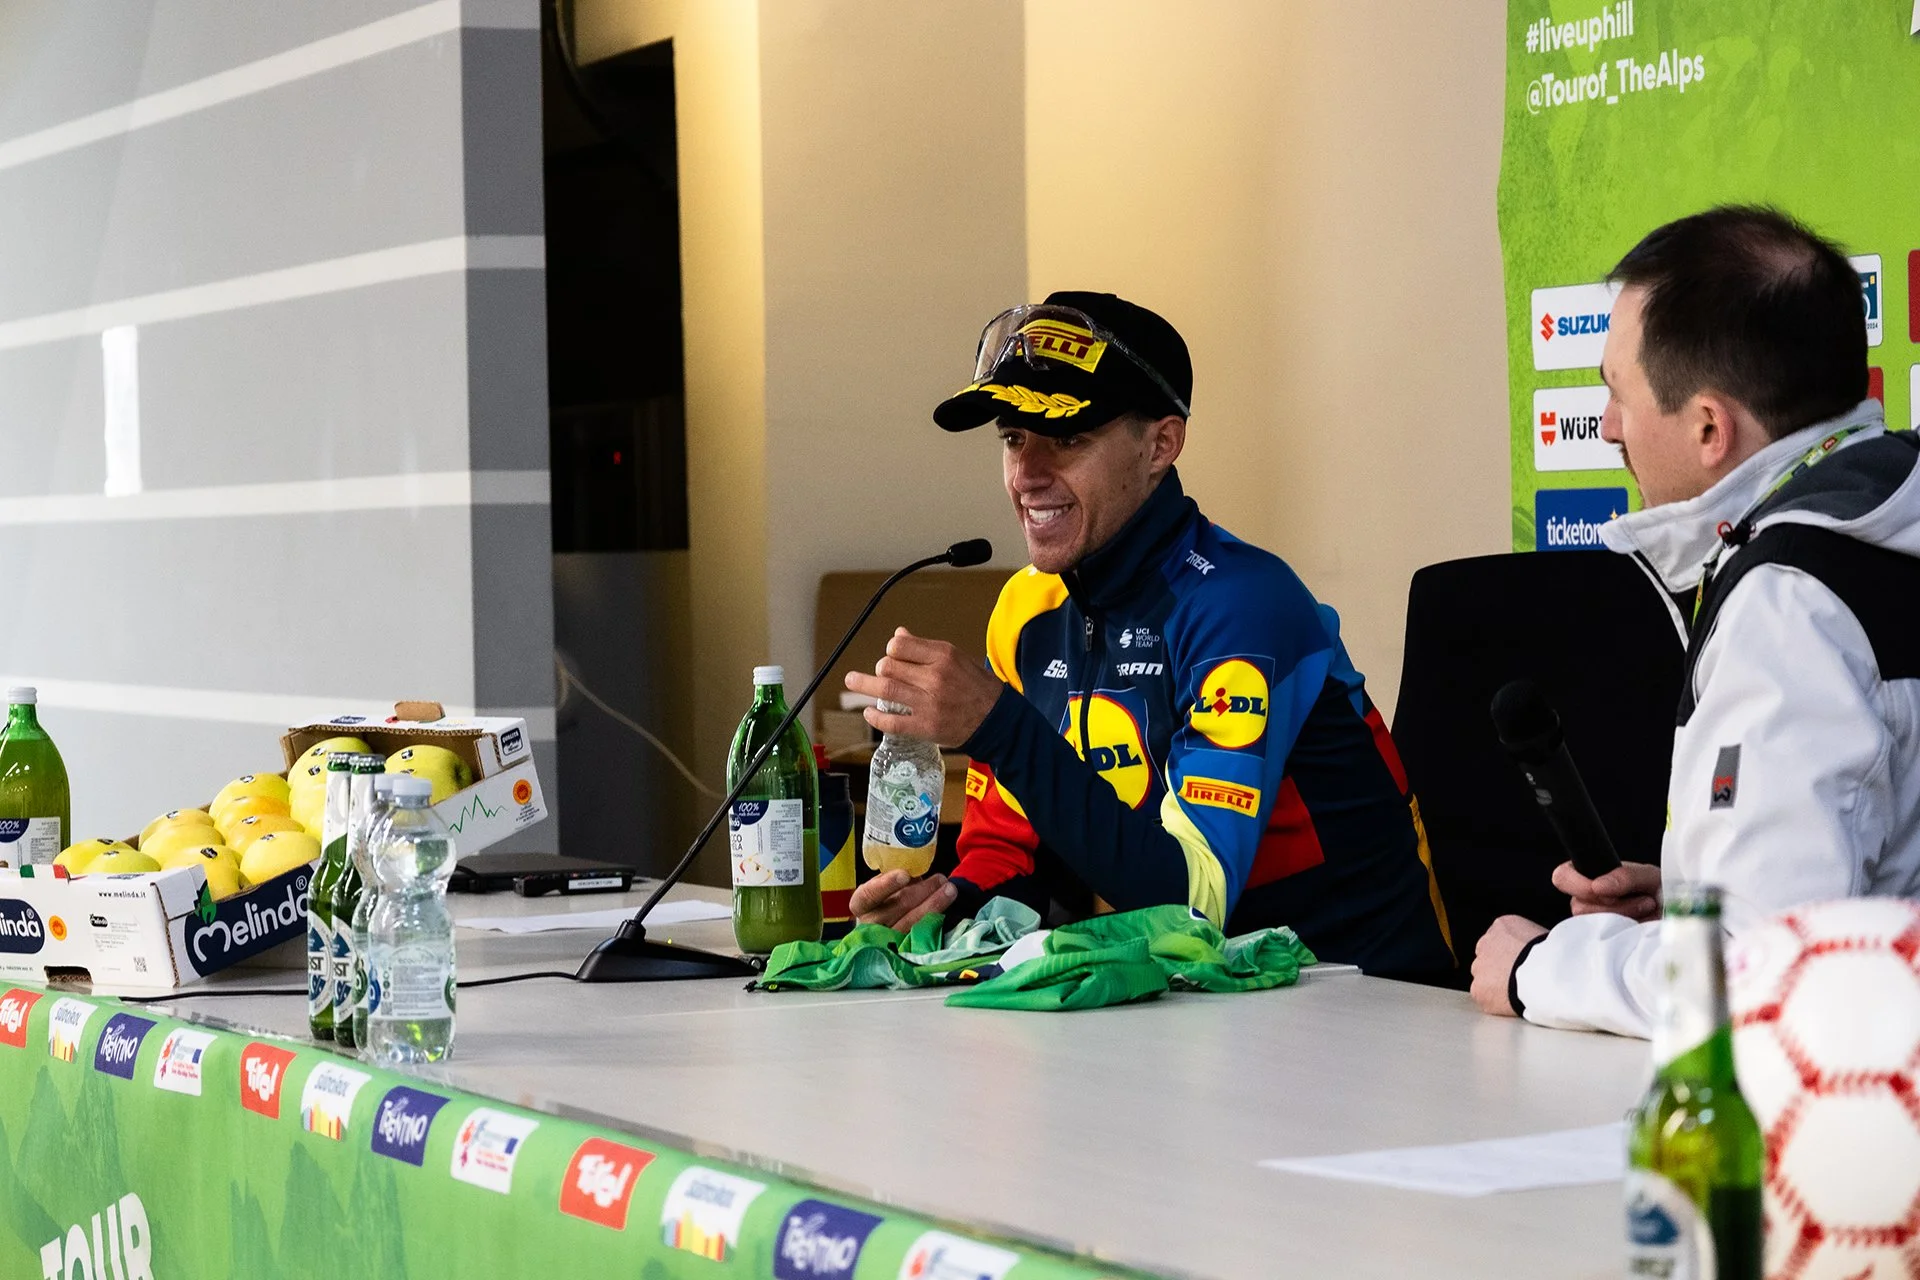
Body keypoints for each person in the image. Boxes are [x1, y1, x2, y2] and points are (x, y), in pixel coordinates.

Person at [844, 291, 1456, 978]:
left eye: (1067, 437)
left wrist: (997, 725)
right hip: (1185, 1007)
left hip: (1362, 1005)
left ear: (1161, 443)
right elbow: (1011, 855)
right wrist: (952, 900)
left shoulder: (1240, 605)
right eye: (1013, 439)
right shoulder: (1024, 610)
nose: (1027, 475)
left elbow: (1192, 905)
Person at [1472, 206, 1920, 1034]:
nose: (1606, 426)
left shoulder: (1792, 603)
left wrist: (1544, 968)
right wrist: (1688, 900)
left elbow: (1760, 980)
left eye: (1617, 392)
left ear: (1709, 427)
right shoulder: (1884, 526)